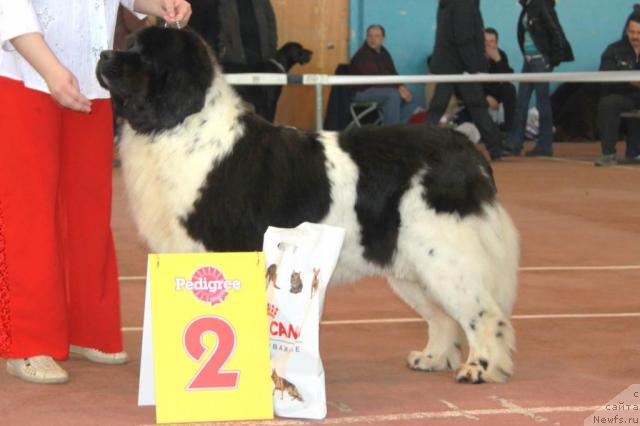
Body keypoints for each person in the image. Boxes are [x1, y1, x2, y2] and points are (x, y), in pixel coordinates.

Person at [0, 0, 191, 384]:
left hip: (90, 81)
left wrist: (162, 4)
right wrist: (52, 71)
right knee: (30, 212)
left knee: (89, 210)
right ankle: (27, 340)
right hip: (26, 77)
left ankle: (89, 328)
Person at [426, 0, 503, 161]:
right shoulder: (464, 4)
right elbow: (464, 38)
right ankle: (496, 150)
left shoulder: (448, 4)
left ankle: (420, 147)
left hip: (447, 63)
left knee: (437, 107)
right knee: (478, 106)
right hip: (461, 66)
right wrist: (474, 67)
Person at [503, 0, 573, 157]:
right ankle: (515, 144)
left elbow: (556, 32)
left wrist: (552, 60)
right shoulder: (528, 7)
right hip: (529, 60)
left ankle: (544, 145)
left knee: (542, 103)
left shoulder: (542, 5)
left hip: (540, 60)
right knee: (521, 102)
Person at [594, 5, 640, 167]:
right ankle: (608, 154)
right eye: (632, 32)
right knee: (608, 103)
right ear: (626, 30)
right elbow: (605, 76)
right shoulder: (613, 50)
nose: (635, 37)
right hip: (623, 95)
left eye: (639, 33)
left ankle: (635, 152)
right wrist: (629, 81)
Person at [349, 24, 420, 126]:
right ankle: (389, 132)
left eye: (377, 36)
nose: (372, 39)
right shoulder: (363, 55)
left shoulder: (384, 52)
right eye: (370, 36)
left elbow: (393, 73)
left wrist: (401, 86)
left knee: (412, 95)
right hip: (361, 91)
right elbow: (375, 78)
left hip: (380, 88)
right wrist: (398, 88)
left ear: (383, 38)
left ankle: (399, 127)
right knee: (393, 95)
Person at [188, 0, 278, 66]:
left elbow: (271, 24)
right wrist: (227, 54)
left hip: (263, 60)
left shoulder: (262, 2)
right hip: (234, 63)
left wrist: (271, 51)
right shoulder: (220, 3)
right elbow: (217, 29)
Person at [483, 28, 517, 133]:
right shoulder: (474, 56)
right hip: (480, 92)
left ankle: (510, 131)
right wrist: (485, 97)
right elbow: (470, 84)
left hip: (496, 91)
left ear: (496, 43)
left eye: (491, 41)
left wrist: (498, 60)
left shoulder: (501, 55)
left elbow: (507, 79)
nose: (488, 44)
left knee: (510, 89)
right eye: (485, 41)